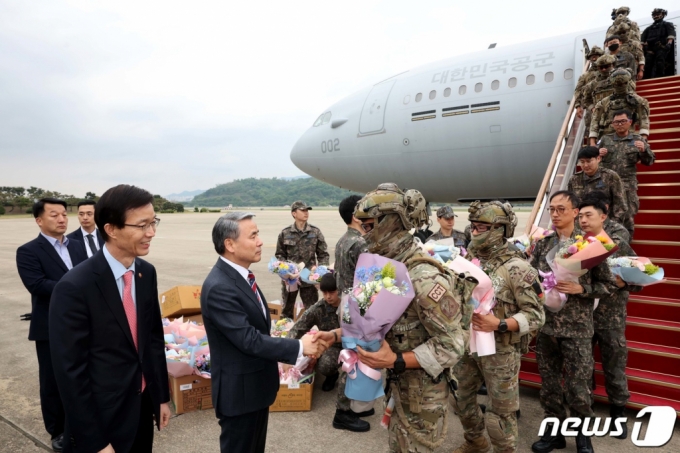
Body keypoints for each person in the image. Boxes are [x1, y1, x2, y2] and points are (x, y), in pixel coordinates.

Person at [348, 183, 471, 453]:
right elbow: (370, 321)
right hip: (398, 386)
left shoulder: (423, 278)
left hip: (423, 396)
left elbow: (453, 345)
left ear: (391, 223)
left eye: (368, 226)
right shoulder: (385, 268)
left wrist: (396, 359)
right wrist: (336, 336)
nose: (362, 233)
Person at [49, 185, 171, 453]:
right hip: (101, 418)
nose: (151, 233)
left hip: (140, 409)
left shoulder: (145, 273)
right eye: (141, 225)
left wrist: (161, 397)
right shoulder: (75, 287)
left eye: (153, 223)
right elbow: (70, 373)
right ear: (111, 229)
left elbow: (152, 340)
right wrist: (94, 440)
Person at [201, 211, 326, 453]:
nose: (260, 242)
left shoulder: (241, 276)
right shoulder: (220, 287)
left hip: (254, 390)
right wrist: (299, 347)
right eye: (253, 236)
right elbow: (248, 340)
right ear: (230, 244)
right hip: (239, 396)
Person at [452, 201, 545, 453]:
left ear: (500, 230)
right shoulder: (468, 261)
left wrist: (500, 324)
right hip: (468, 347)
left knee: (500, 413)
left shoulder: (518, 268)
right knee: (460, 399)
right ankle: (475, 442)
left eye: (482, 227)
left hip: (501, 352)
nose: (475, 232)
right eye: (473, 227)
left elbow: (536, 316)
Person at [530, 191, 616, 453]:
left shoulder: (590, 244)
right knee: (550, 385)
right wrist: (539, 288)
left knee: (579, 388)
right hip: (548, 327)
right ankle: (554, 433)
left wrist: (582, 290)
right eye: (552, 210)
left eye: (561, 209)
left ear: (575, 212)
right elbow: (531, 277)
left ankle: (582, 436)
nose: (555, 215)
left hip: (577, 329)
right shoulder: (543, 244)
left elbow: (609, 285)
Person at [15, 198, 87, 452]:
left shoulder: (77, 246)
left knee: (82, 375)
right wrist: (77, 289)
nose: (61, 219)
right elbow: (37, 284)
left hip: (82, 323)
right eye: (54, 215)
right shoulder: (28, 251)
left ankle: (82, 423)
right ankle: (57, 430)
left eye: (64, 215)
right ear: (39, 220)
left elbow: (90, 275)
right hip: (50, 326)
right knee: (53, 381)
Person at [578, 196, 640, 439]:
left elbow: (640, 277)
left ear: (603, 217)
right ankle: (585, 409)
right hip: (582, 315)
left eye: (588, 215)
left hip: (610, 316)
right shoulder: (576, 244)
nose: (583, 220)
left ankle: (618, 413)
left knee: (614, 365)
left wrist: (624, 281)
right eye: (580, 216)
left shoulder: (618, 243)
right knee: (583, 366)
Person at [288, 273, 371, 432]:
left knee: (363, 366)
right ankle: (332, 375)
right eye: (324, 293)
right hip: (333, 346)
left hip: (353, 345)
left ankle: (358, 402)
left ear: (339, 290)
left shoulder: (352, 304)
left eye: (332, 292)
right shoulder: (318, 309)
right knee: (325, 365)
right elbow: (297, 329)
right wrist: (284, 351)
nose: (328, 297)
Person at [598, 109, 655, 238]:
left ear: (630, 122)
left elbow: (650, 161)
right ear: (612, 124)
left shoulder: (638, 139)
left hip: (627, 185)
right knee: (605, 215)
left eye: (623, 121)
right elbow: (591, 158)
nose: (619, 124)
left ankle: (624, 248)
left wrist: (644, 151)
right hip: (606, 184)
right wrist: (598, 154)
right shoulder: (605, 139)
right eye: (616, 122)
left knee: (627, 216)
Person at [276, 201, 329, 318]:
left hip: (309, 279)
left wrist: (320, 271)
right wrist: (285, 271)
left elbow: (323, 254)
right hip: (291, 280)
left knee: (312, 311)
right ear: (294, 213)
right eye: (303, 210)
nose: (306, 213)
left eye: (307, 210)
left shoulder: (315, 232)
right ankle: (285, 333)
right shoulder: (285, 233)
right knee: (286, 311)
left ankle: (312, 335)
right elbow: (280, 255)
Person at [568, 146, 628, 226]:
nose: (585, 165)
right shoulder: (574, 179)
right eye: (582, 162)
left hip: (605, 224)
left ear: (598, 159)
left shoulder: (610, 176)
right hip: (582, 224)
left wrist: (612, 224)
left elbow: (620, 204)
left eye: (589, 161)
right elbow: (572, 204)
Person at [589, 69, 649, 144]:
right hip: (607, 137)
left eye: (623, 83)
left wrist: (643, 138)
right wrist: (592, 140)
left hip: (627, 137)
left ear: (628, 82)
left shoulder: (637, 100)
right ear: (612, 84)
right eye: (617, 84)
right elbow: (595, 120)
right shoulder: (604, 102)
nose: (620, 86)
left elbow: (643, 119)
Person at [335, 194, 368, 295]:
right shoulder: (361, 242)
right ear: (356, 217)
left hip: (344, 302)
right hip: (358, 302)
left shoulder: (341, 241)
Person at [642, 8, 677, 79]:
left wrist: (669, 44)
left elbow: (671, 34)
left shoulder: (667, 24)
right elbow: (642, 39)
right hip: (650, 49)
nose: (656, 16)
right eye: (654, 15)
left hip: (661, 47)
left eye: (658, 14)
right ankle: (647, 79)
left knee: (660, 63)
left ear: (663, 15)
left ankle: (659, 78)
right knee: (647, 64)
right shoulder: (648, 28)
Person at [575, 46, 605, 120]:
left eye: (596, 56)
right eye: (592, 57)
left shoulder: (607, 71)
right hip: (592, 106)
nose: (594, 59)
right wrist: (578, 106)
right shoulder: (585, 75)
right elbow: (578, 90)